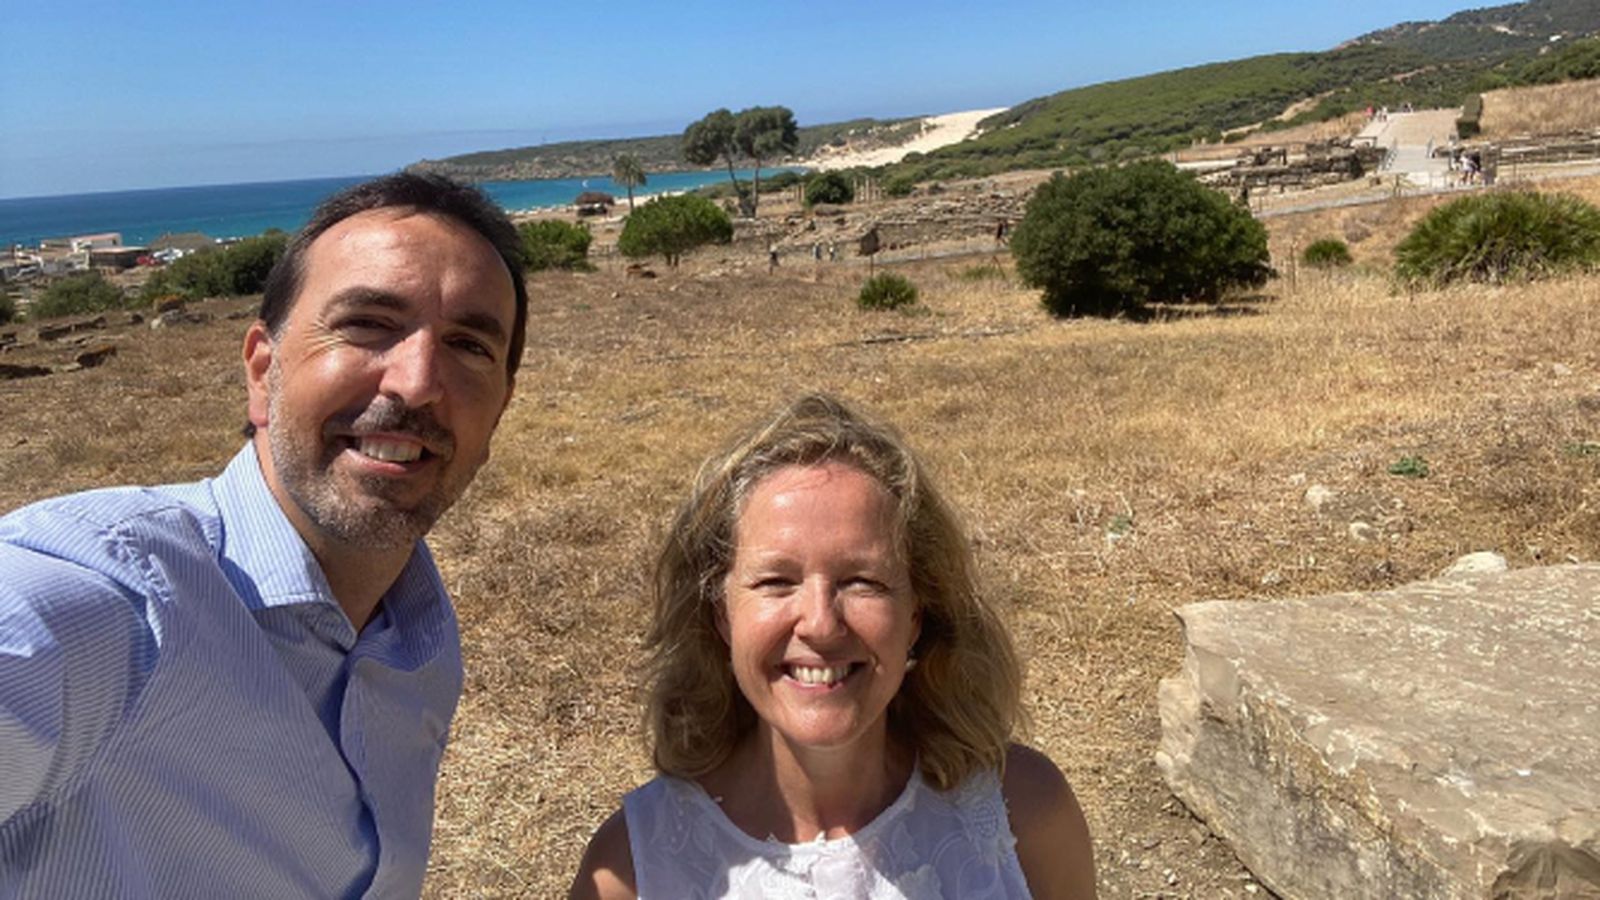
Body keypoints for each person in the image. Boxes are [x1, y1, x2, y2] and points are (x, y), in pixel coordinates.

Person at [0, 172, 529, 898]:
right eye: (368, 324)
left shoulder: (418, 645)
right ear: (261, 371)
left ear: (498, 412)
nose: (416, 383)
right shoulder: (109, 609)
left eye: (470, 345)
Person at [570, 394, 1096, 899]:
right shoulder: (631, 874)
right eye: (776, 581)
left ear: (916, 615)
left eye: (862, 581)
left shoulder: (1026, 814)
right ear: (721, 615)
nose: (820, 625)